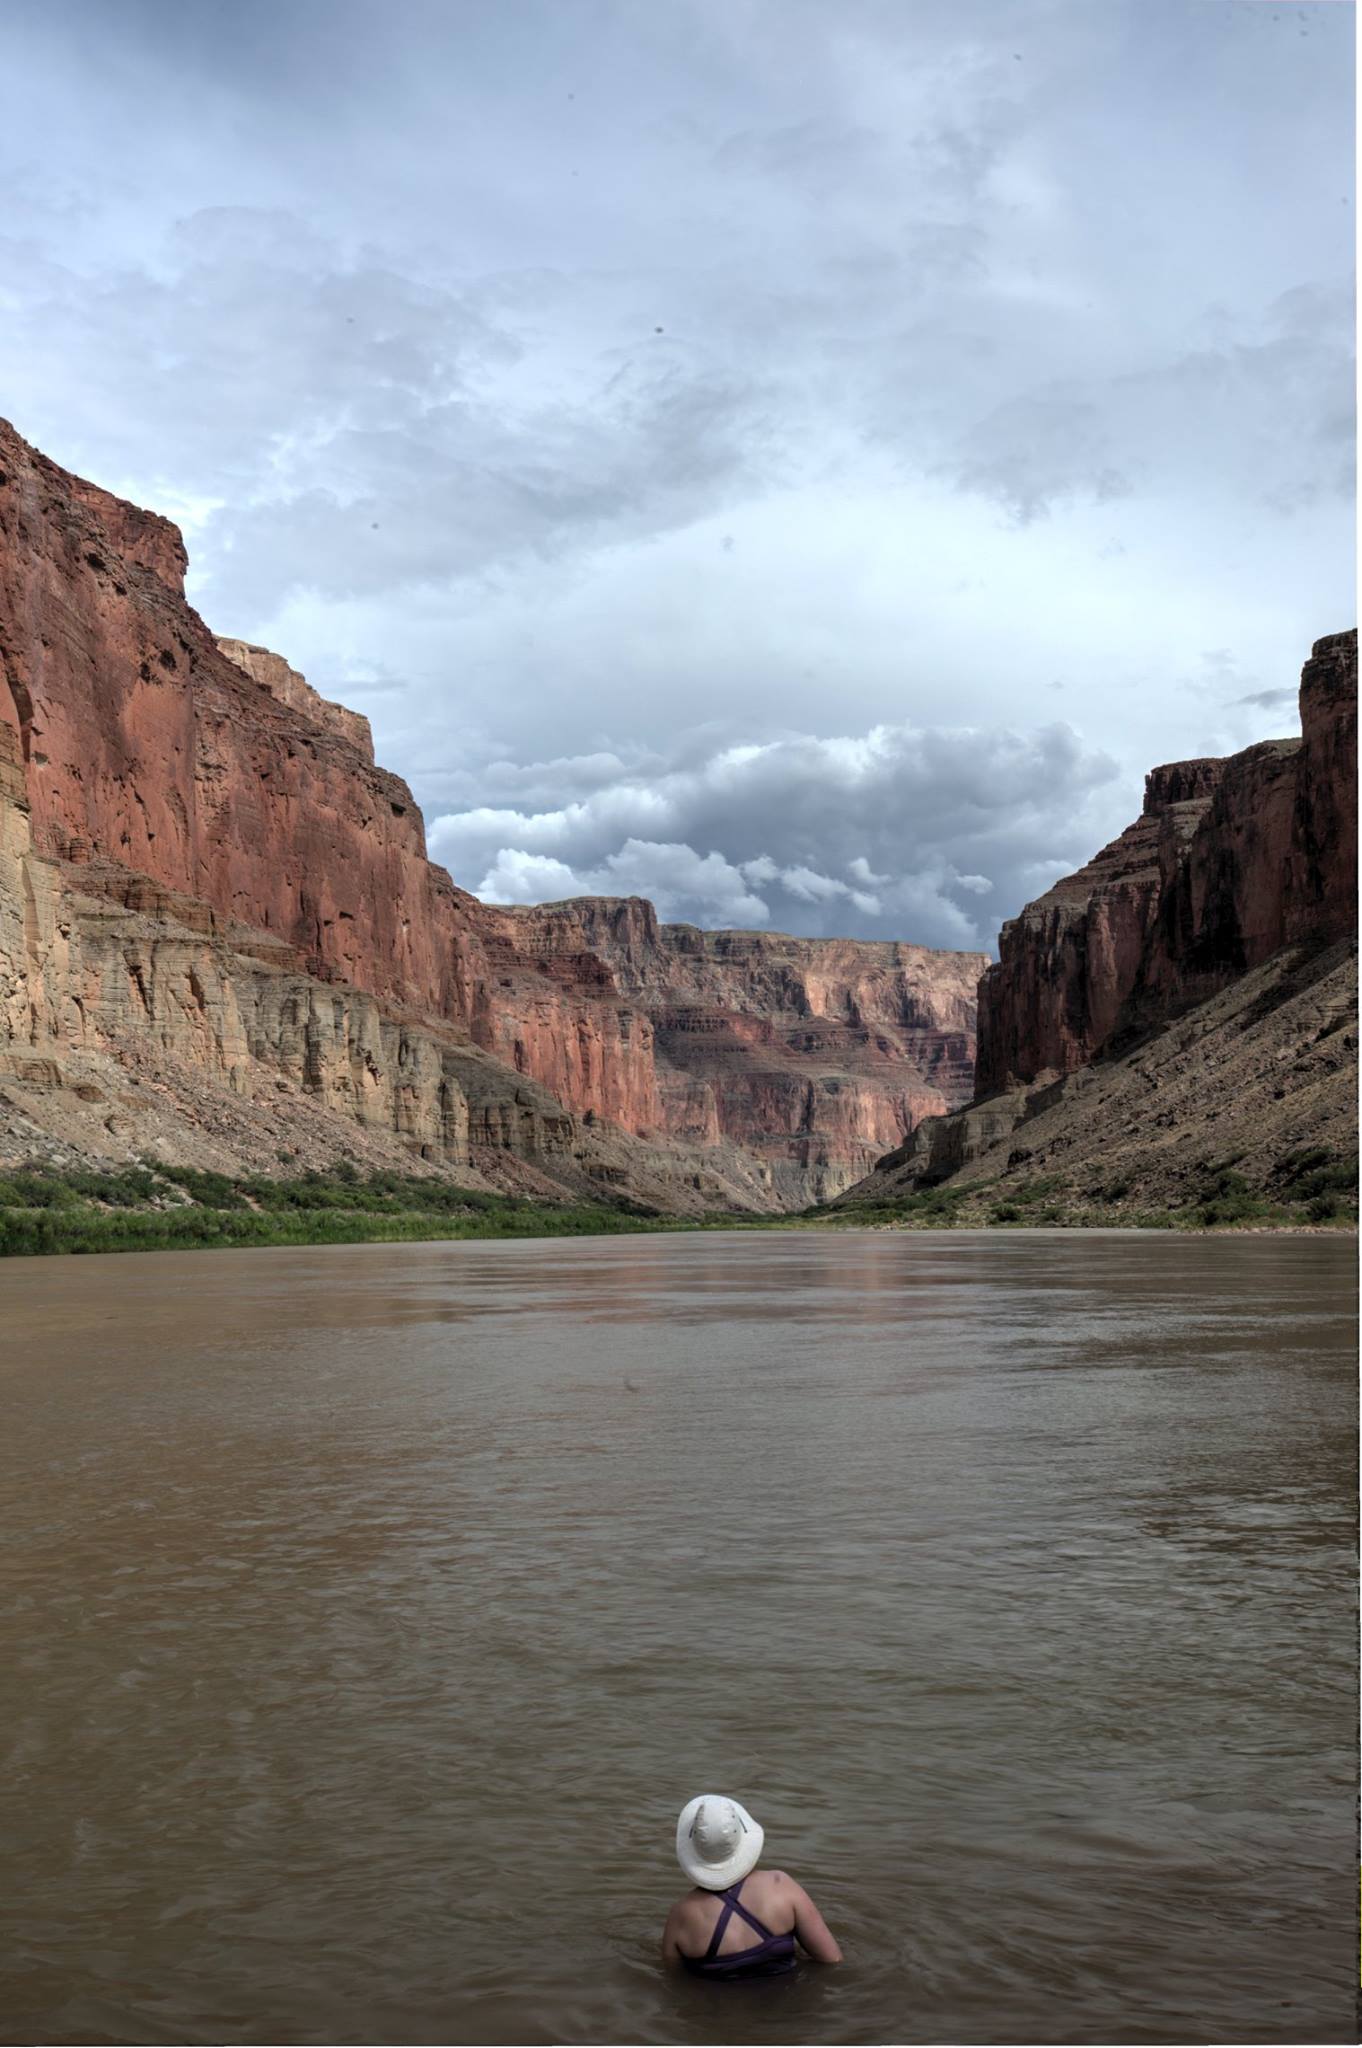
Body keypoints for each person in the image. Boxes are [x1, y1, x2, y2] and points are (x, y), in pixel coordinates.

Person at [661, 1794, 843, 1980]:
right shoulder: (781, 1886)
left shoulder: (681, 1916)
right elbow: (831, 1960)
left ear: (693, 1848)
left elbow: (672, 1979)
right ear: (743, 1835)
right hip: (786, 2005)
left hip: (718, 2008)